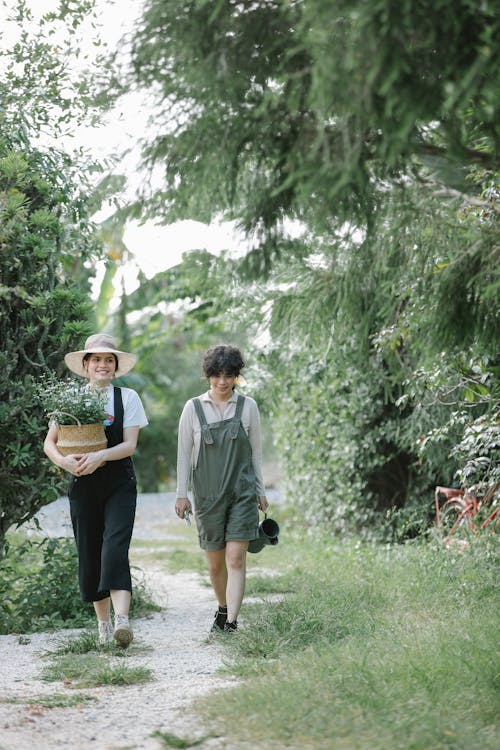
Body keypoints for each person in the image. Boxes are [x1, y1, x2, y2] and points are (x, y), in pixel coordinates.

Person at [43, 333, 148, 647]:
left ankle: (123, 622)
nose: (103, 365)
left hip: (119, 482)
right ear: (85, 365)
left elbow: (129, 445)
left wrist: (100, 455)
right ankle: (103, 628)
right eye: (97, 359)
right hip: (83, 483)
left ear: (115, 367)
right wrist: (66, 463)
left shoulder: (127, 398)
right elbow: (50, 443)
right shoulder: (70, 399)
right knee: (90, 553)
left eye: (109, 360)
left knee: (115, 546)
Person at [175, 344, 269, 633]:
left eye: (229, 375)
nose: (223, 381)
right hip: (207, 496)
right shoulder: (193, 408)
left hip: (242, 494)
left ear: (236, 376)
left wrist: (260, 490)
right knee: (216, 566)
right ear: (208, 375)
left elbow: (255, 453)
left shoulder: (248, 406)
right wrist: (182, 494)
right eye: (217, 375)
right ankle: (223, 607)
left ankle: (231, 623)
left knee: (236, 558)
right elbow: (183, 453)